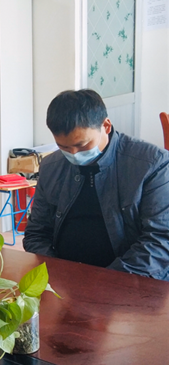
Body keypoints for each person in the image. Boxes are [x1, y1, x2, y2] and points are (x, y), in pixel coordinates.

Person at [24, 89, 169, 281]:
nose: (74, 154)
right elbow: (36, 233)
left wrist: (102, 282)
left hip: (129, 280)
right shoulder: (51, 166)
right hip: (65, 278)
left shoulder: (152, 164)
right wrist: (57, 273)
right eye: (64, 147)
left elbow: (159, 241)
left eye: (82, 145)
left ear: (106, 126)